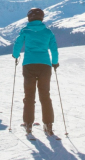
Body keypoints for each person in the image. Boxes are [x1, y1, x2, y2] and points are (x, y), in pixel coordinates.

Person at [12, 8, 59, 137]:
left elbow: (17, 44)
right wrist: (55, 62)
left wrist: (15, 55)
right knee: (45, 95)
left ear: (29, 18)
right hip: (45, 65)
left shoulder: (25, 31)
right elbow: (54, 49)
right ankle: (48, 125)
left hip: (29, 65)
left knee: (29, 95)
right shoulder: (48, 32)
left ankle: (28, 124)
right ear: (42, 18)